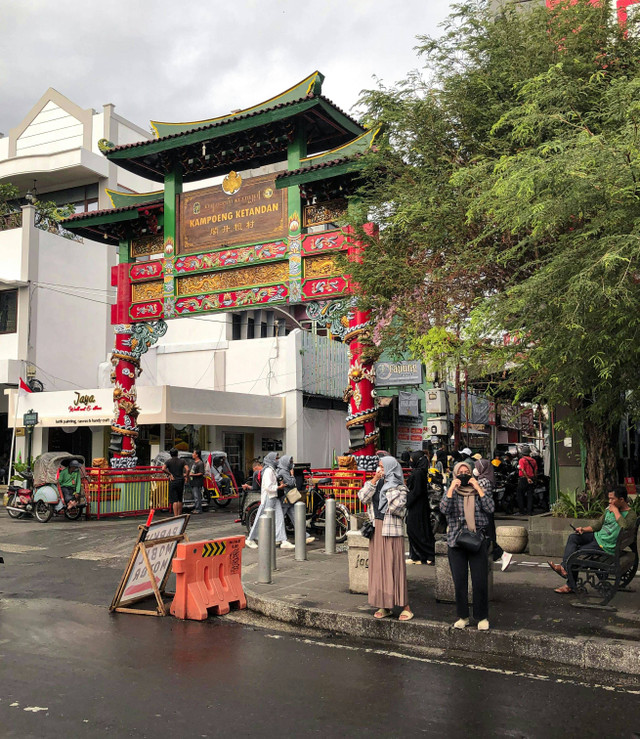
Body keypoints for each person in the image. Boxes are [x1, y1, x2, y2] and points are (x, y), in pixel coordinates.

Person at [549, 486, 637, 594]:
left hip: (605, 545)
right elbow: (598, 525)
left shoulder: (630, 514)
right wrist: (583, 530)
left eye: (612, 499)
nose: (610, 502)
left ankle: (569, 584)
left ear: (622, 499)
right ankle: (564, 567)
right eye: (609, 499)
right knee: (573, 537)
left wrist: (615, 511)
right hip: (596, 537)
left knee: (577, 554)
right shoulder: (609, 509)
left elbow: (625, 526)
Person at [440, 461, 495, 630]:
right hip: (456, 542)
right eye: (460, 472)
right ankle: (463, 616)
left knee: (479, 581)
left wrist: (478, 488)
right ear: (455, 474)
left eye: (467, 471)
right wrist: (450, 489)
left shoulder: (480, 490)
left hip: (477, 540)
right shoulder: (452, 492)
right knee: (460, 582)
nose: (464, 474)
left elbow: (490, 509)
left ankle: (482, 617)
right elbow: (444, 510)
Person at [357, 456, 413, 621]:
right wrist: (374, 480)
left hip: (392, 530)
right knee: (379, 567)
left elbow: (397, 507)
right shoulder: (375, 483)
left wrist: (388, 487)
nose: (379, 470)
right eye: (378, 466)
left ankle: (405, 605)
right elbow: (362, 497)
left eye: (382, 467)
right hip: (377, 528)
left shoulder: (399, 486)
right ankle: (384, 604)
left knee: (394, 566)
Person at [245, 452, 294, 550]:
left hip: (273, 496)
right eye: (276, 458)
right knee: (260, 518)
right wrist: (279, 487)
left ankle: (283, 540)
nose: (277, 460)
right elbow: (268, 487)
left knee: (279, 517)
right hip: (269, 497)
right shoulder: (268, 471)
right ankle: (250, 539)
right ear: (271, 460)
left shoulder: (272, 469)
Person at [474, 458, 512, 571]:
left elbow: (475, 493)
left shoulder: (483, 481)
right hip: (486, 511)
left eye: (476, 467)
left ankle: (501, 554)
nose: (474, 469)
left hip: (484, 511)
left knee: (487, 535)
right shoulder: (487, 478)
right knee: (487, 535)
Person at [405, 451, 435, 565]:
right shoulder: (421, 472)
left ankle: (429, 554)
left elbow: (416, 491)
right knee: (419, 530)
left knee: (415, 530)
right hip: (420, 505)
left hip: (416, 506)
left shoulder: (417, 473)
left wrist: (407, 501)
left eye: (412, 460)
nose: (411, 462)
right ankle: (416, 556)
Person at [278, 454, 315, 545]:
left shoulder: (284, 470)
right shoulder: (283, 472)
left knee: (296, 518)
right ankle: (277, 537)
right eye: (290, 461)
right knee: (280, 519)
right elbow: (290, 483)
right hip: (285, 499)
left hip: (290, 499)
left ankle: (304, 536)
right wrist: (292, 475)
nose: (292, 463)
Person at [162, 448, 188, 517]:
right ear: (177, 454)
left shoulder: (168, 461)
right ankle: (179, 515)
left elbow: (163, 468)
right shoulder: (182, 461)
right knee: (180, 498)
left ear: (170, 454)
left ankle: (175, 515)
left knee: (174, 500)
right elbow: (187, 469)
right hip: (180, 480)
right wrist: (186, 476)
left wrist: (170, 474)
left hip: (173, 481)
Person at [516, 445, 538, 516]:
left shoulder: (522, 460)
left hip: (523, 479)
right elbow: (535, 470)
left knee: (520, 494)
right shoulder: (533, 460)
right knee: (530, 495)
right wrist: (533, 478)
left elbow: (522, 469)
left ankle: (522, 511)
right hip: (531, 478)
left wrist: (527, 478)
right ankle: (529, 511)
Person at [189, 449, 205, 514]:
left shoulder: (200, 463)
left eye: (193, 453)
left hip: (197, 482)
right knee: (195, 496)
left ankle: (198, 509)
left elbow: (201, 473)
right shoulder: (194, 462)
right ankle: (196, 507)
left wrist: (192, 474)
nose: (192, 455)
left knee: (197, 496)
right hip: (193, 481)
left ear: (197, 455)